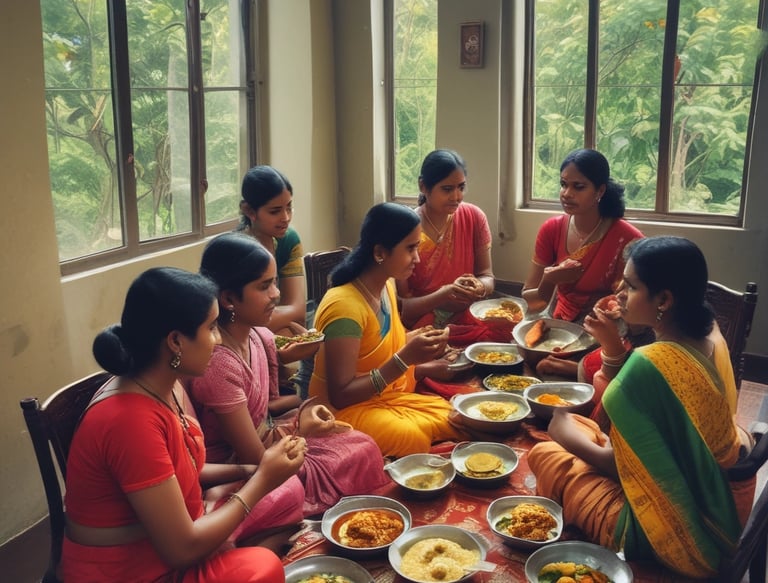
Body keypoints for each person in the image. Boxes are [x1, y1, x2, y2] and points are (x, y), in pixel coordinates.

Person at [528, 236, 754, 579]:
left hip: (674, 522)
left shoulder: (651, 362)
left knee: (548, 455)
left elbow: (622, 469)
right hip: (717, 492)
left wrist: (564, 436)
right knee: (588, 428)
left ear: (664, 299)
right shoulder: (708, 332)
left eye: (630, 286)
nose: (619, 293)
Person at [62, 267, 306, 582]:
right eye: (211, 328)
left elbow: (182, 471)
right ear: (176, 341)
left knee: (286, 490)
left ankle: (227, 547)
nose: (218, 340)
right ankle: (231, 551)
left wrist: (255, 472)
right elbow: (180, 549)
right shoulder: (129, 421)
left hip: (172, 534)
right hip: (132, 568)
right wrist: (262, 480)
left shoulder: (168, 384)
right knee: (263, 567)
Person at [189, 232, 389, 517]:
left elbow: (269, 408)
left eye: (274, 283)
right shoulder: (219, 364)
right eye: (264, 286)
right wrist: (301, 429)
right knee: (295, 486)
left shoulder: (259, 336)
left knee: (363, 445)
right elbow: (254, 458)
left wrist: (305, 408)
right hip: (240, 466)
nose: (277, 294)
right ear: (230, 298)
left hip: (273, 440)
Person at [308, 202, 476, 458]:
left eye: (417, 247)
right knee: (412, 438)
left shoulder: (387, 286)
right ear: (379, 253)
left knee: (456, 416)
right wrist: (406, 358)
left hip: (382, 398)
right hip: (337, 411)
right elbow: (341, 395)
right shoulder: (344, 307)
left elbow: (378, 348)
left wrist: (421, 345)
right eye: (411, 249)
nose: (417, 259)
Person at [522, 148, 644, 378]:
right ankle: (571, 367)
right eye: (563, 184)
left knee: (624, 364)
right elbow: (532, 302)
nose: (566, 194)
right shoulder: (552, 229)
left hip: (604, 328)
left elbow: (630, 310)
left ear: (600, 191)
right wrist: (549, 280)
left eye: (578, 187)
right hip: (560, 320)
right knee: (523, 347)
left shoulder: (627, 238)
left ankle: (578, 367)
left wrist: (610, 311)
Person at [396, 149, 504, 345]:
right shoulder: (406, 228)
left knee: (510, 330)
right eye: (447, 189)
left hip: (468, 314)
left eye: (461, 187)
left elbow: (487, 277)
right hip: (423, 319)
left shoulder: (474, 217)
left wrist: (479, 287)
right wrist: (442, 295)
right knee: (423, 346)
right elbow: (403, 305)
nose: (457, 196)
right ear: (423, 186)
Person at [238, 164, 312, 402]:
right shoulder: (236, 249)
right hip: (238, 339)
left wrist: (256, 322)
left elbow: (297, 310)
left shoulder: (288, 240)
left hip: (258, 330)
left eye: (289, 207)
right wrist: (261, 326)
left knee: (299, 331)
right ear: (249, 210)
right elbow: (233, 320)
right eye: (275, 211)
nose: (286, 218)